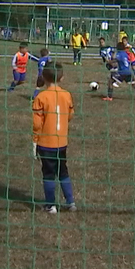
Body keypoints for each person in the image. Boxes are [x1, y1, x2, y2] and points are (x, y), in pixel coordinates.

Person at [32, 62, 76, 214]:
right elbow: (70, 115)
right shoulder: (67, 95)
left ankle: (51, 205)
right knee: (63, 171)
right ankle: (71, 202)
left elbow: (37, 124)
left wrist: (35, 141)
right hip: (61, 142)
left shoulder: (41, 97)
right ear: (62, 78)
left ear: (44, 77)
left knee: (48, 174)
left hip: (46, 143)